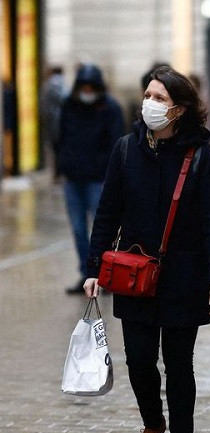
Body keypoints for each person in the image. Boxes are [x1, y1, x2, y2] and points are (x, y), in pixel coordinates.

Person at [83, 65, 210, 433]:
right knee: (141, 362)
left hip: (185, 275)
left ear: (179, 108)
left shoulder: (199, 155)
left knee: (179, 364)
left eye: (160, 98)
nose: (150, 103)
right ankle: (153, 421)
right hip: (133, 274)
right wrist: (94, 267)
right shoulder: (126, 150)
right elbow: (107, 213)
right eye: (148, 95)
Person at [58, 64, 125, 294]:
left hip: (98, 179)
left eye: (90, 87)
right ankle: (87, 273)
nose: (87, 91)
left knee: (101, 228)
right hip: (73, 178)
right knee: (78, 229)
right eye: (83, 87)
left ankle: (102, 273)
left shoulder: (110, 108)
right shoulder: (69, 105)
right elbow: (61, 136)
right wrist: (62, 165)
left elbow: (117, 143)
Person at [39, 66, 66, 177]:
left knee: (55, 149)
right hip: (58, 123)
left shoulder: (47, 85)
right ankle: (59, 172)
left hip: (51, 122)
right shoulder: (58, 84)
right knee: (59, 148)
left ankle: (58, 172)